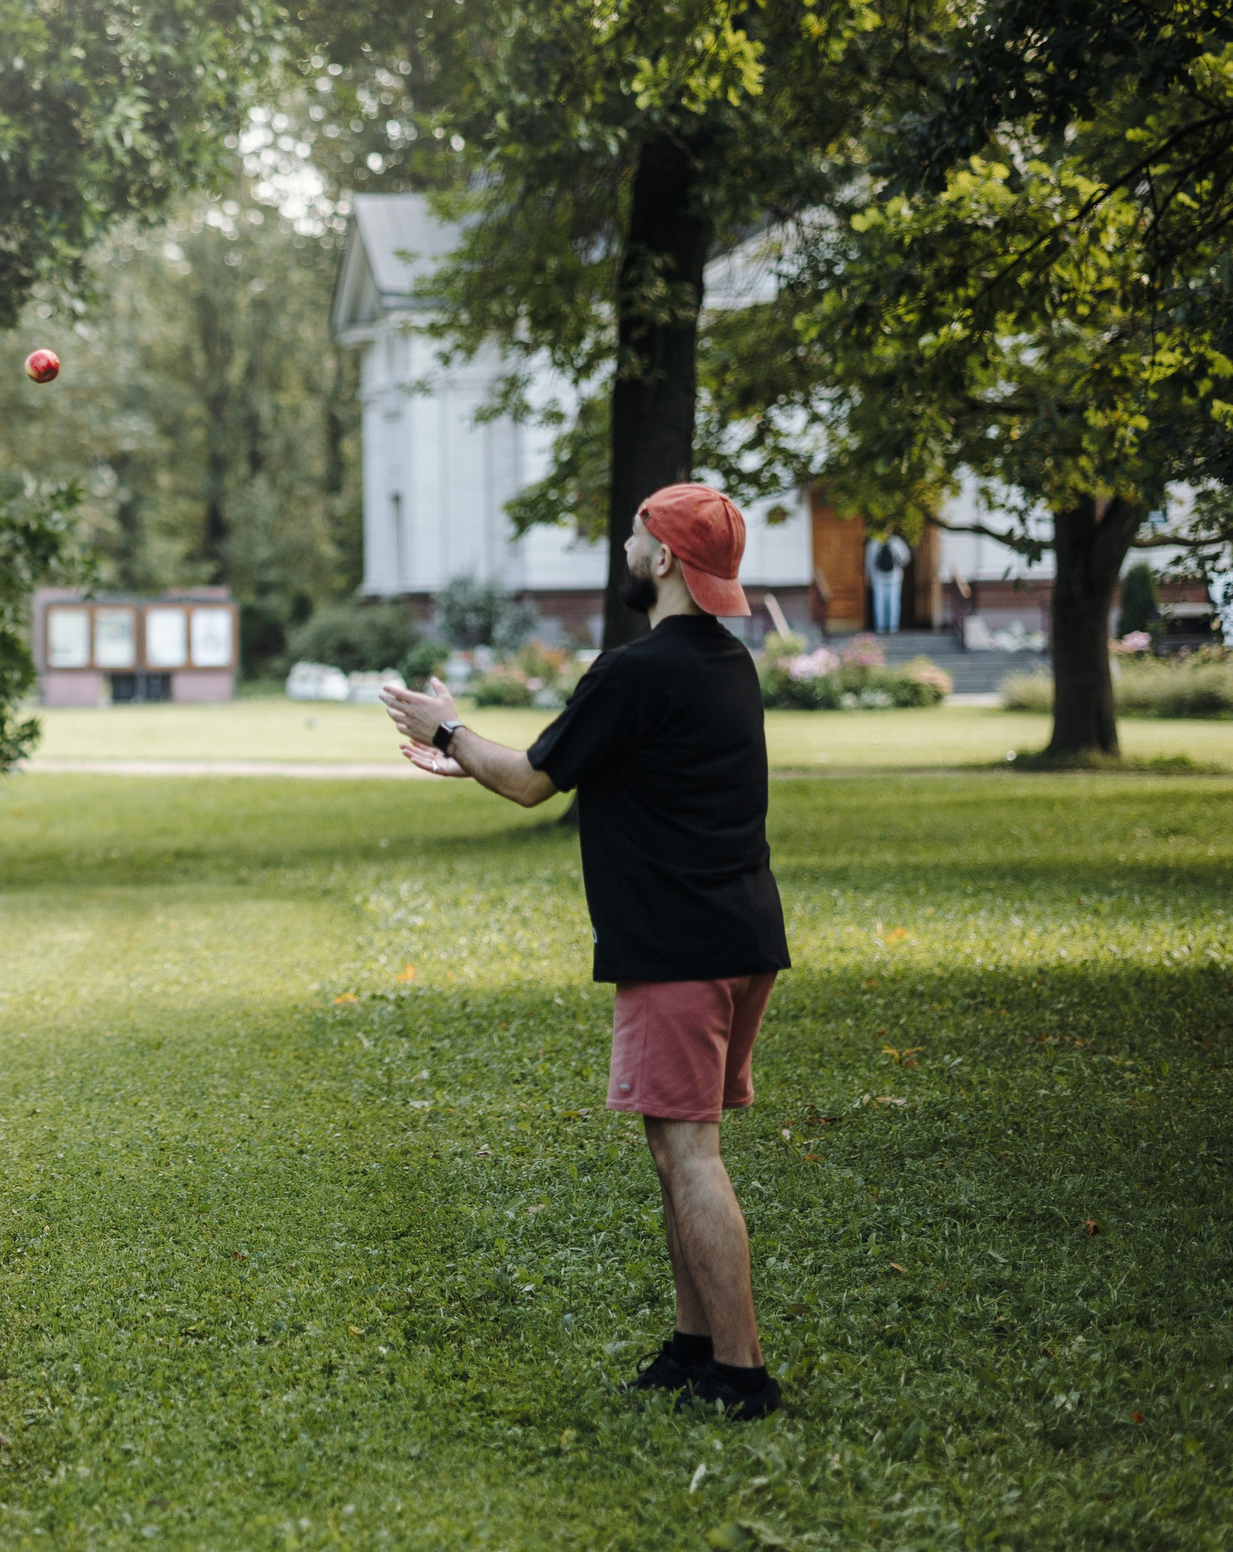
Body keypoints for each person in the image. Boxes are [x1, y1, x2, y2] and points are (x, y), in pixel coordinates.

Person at [380, 484, 791, 1419]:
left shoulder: (633, 670)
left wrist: (445, 728)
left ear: (667, 562)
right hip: (742, 940)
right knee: (677, 1148)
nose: (625, 542)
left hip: (677, 951)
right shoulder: (726, 666)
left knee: (690, 1156)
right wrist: (470, 754)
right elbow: (576, 767)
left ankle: (742, 1375)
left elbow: (530, 780)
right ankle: (694, 1350)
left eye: (639, 533)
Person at [865, 533, 911, 634]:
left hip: (886, 577)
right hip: (887, 577)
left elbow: (869, 562)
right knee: (889, 602)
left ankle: (885, 626)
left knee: (884, 602)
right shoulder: (894, 542)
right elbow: (906, 558)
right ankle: (889, 626)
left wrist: (868, 576)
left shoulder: (876, 543)